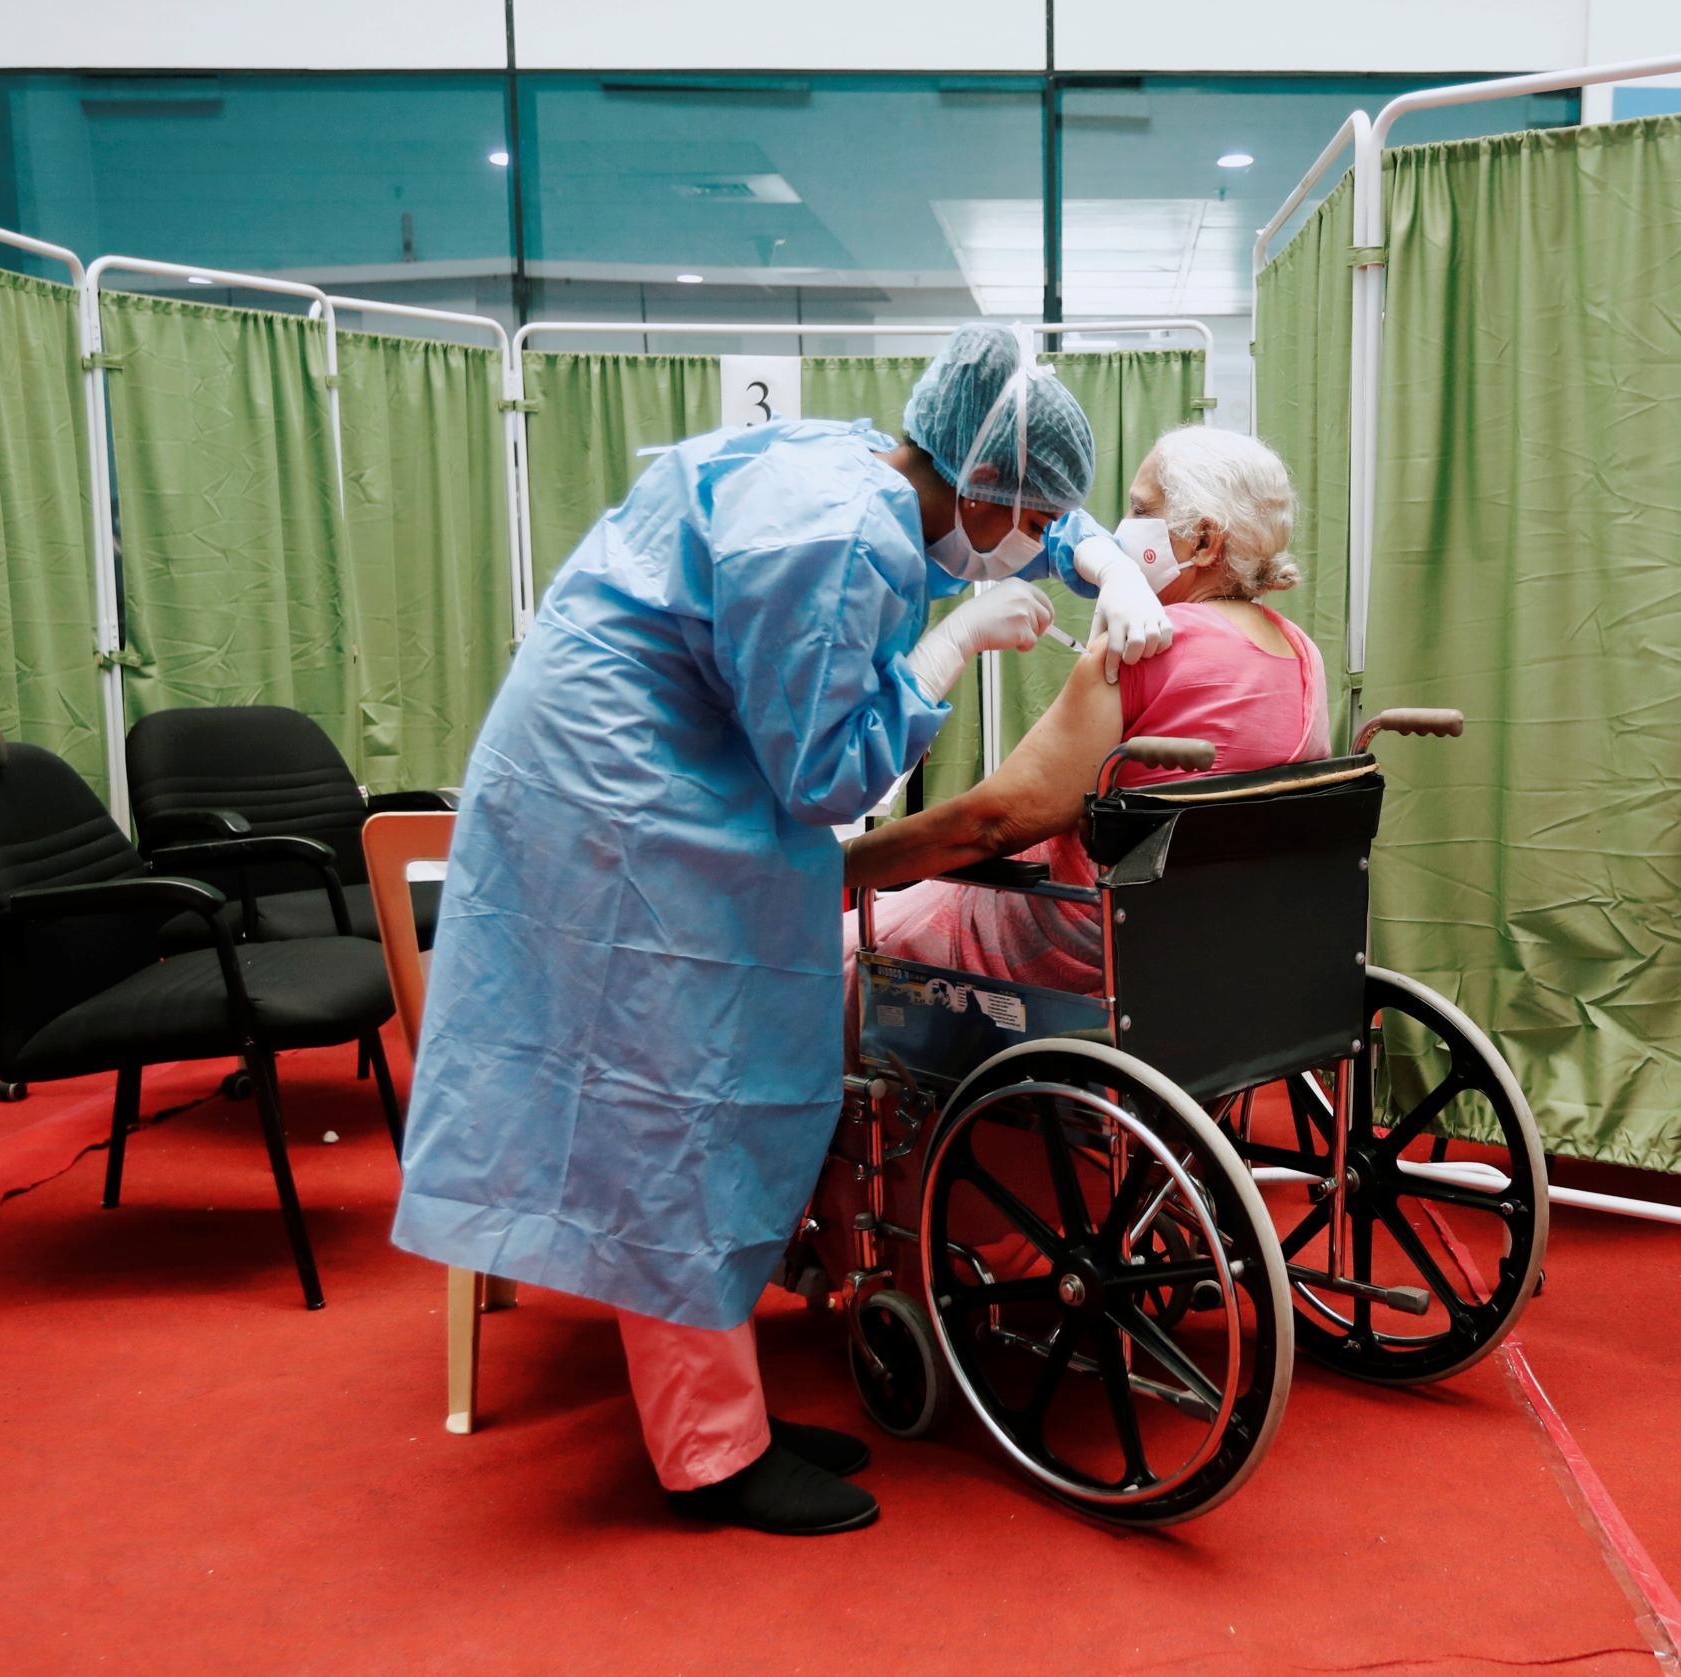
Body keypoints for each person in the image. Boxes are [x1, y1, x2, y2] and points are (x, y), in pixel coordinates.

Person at [390, 323, 1183, 1538]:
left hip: (675, 777)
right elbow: (822, 774)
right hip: (620, 806)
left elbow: (1028, 500)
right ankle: (708, 1459)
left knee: (723, 1082)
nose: (1031, 538)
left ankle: (727, 1414)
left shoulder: (880, 472)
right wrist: (947, 646)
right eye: (1026, 516)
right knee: (676, 1105)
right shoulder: (837, 530)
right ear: (973, 490)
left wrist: (1104, 566)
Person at [844, 426, 1327, 946]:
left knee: (842, 952)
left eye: (1142, 512)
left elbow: (991, 824)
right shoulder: (1302, 654)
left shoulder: (1139, 652)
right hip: (1213, 940)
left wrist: (835, 867)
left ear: (1205, 542)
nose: (1120, 532)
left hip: (1074, 933)